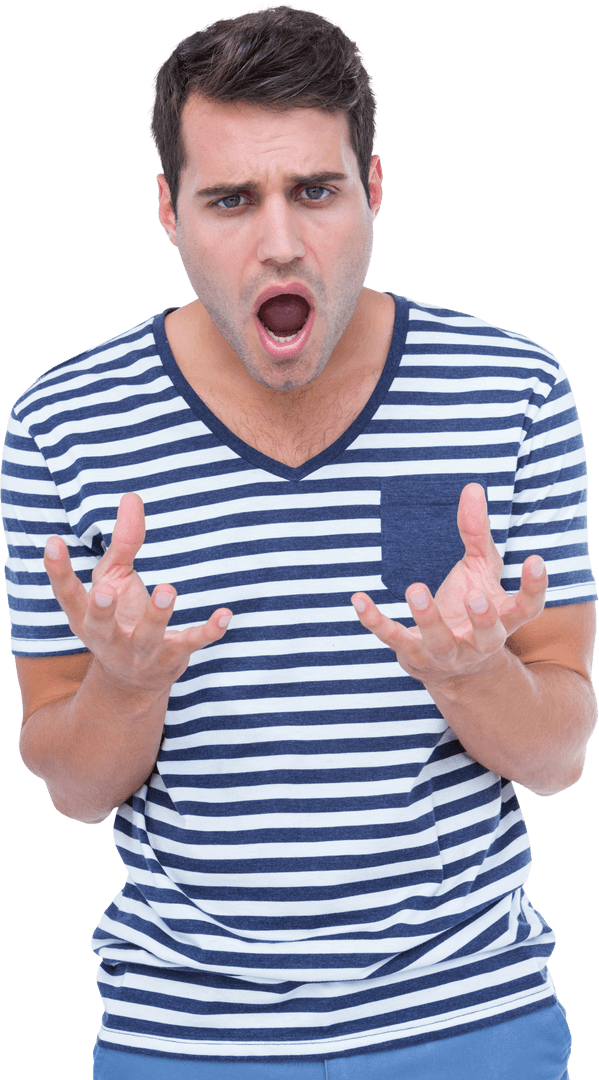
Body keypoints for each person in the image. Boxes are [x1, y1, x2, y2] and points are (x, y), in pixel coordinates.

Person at [2, 6, 595, 1079]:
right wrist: (126, 687)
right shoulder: (62, 425)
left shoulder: (511, 389)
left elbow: (557, 758)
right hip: (181, 1037)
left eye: (313, 191)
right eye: (229, 199)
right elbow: (73, 787)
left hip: (466, 1023)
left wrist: (471, 676)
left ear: (372, 191)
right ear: (166, 213)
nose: (278, 240)